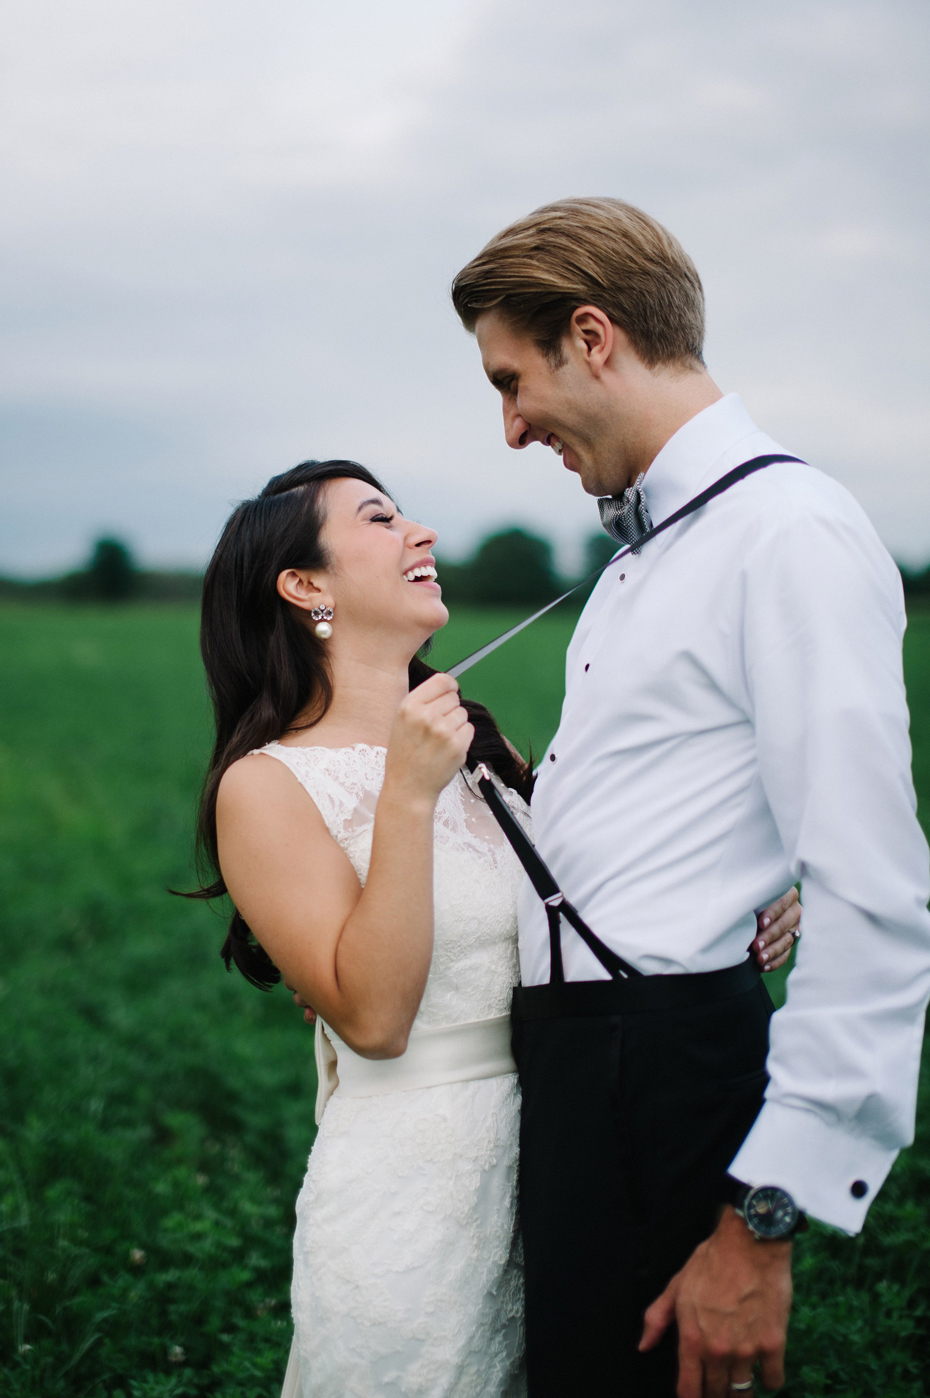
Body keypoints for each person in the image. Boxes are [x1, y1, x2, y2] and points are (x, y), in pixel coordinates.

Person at [450, 196, 930, 1398]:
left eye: (514, 380)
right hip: (582, 1078)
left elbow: (872, 889)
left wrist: (759, 1223)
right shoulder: (657, 545)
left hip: (661, 1084)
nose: (512, 429)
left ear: (595, 337)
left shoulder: (790, 533)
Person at [188, 457, 799, 1398]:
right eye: (383, 519)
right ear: (305, 586)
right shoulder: (265, 786)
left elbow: (587, 906)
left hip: (568, 1169)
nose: (422, 534)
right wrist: (404, 795)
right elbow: (377, 1020)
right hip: (412, 1204)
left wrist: (741, 899)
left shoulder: (478, 743)